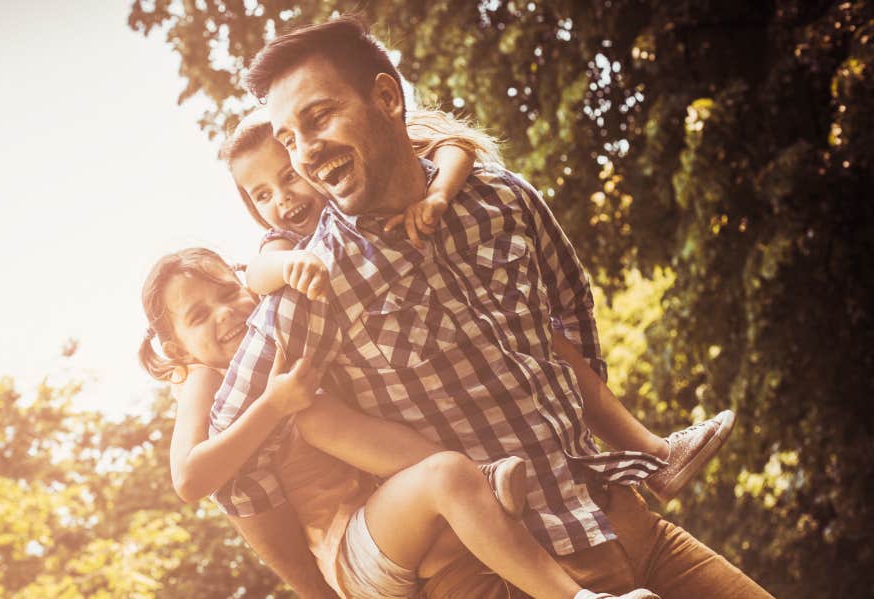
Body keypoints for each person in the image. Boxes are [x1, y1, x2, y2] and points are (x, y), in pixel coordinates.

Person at [207, 16, 774, 599]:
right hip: (503, 578)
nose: (306, 151)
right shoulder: (312, 285)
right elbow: (233, 468)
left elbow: (570, 309)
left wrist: (586, 437)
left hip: (629, 528)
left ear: (385, 97)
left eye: (318, 116)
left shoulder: (501, 199)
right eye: (290, 138)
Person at [225, 107, 734, 503]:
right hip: (395, 420)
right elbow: (259, 269)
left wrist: (438, 195)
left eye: (286, 177)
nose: (282, 199)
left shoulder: (385, 177)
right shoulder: (292, 245)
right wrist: (291, 266)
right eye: (261, 195)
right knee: (323, 419)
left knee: (548, 347)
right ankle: (481, 484)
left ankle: (652, 453)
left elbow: (453, 147)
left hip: (475, 332)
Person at [138, 247, 658, 599]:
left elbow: (266, 271)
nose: (224, 314)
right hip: (351, 551)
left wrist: (289, 265)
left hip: (405, 527)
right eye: (197, 316)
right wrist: (275, 404)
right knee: (443, 474)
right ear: (175, 347)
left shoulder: (286, 339)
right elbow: (189, 479)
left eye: (228, 295)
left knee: (451, 486)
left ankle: (486, 486)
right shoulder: (202, 380)